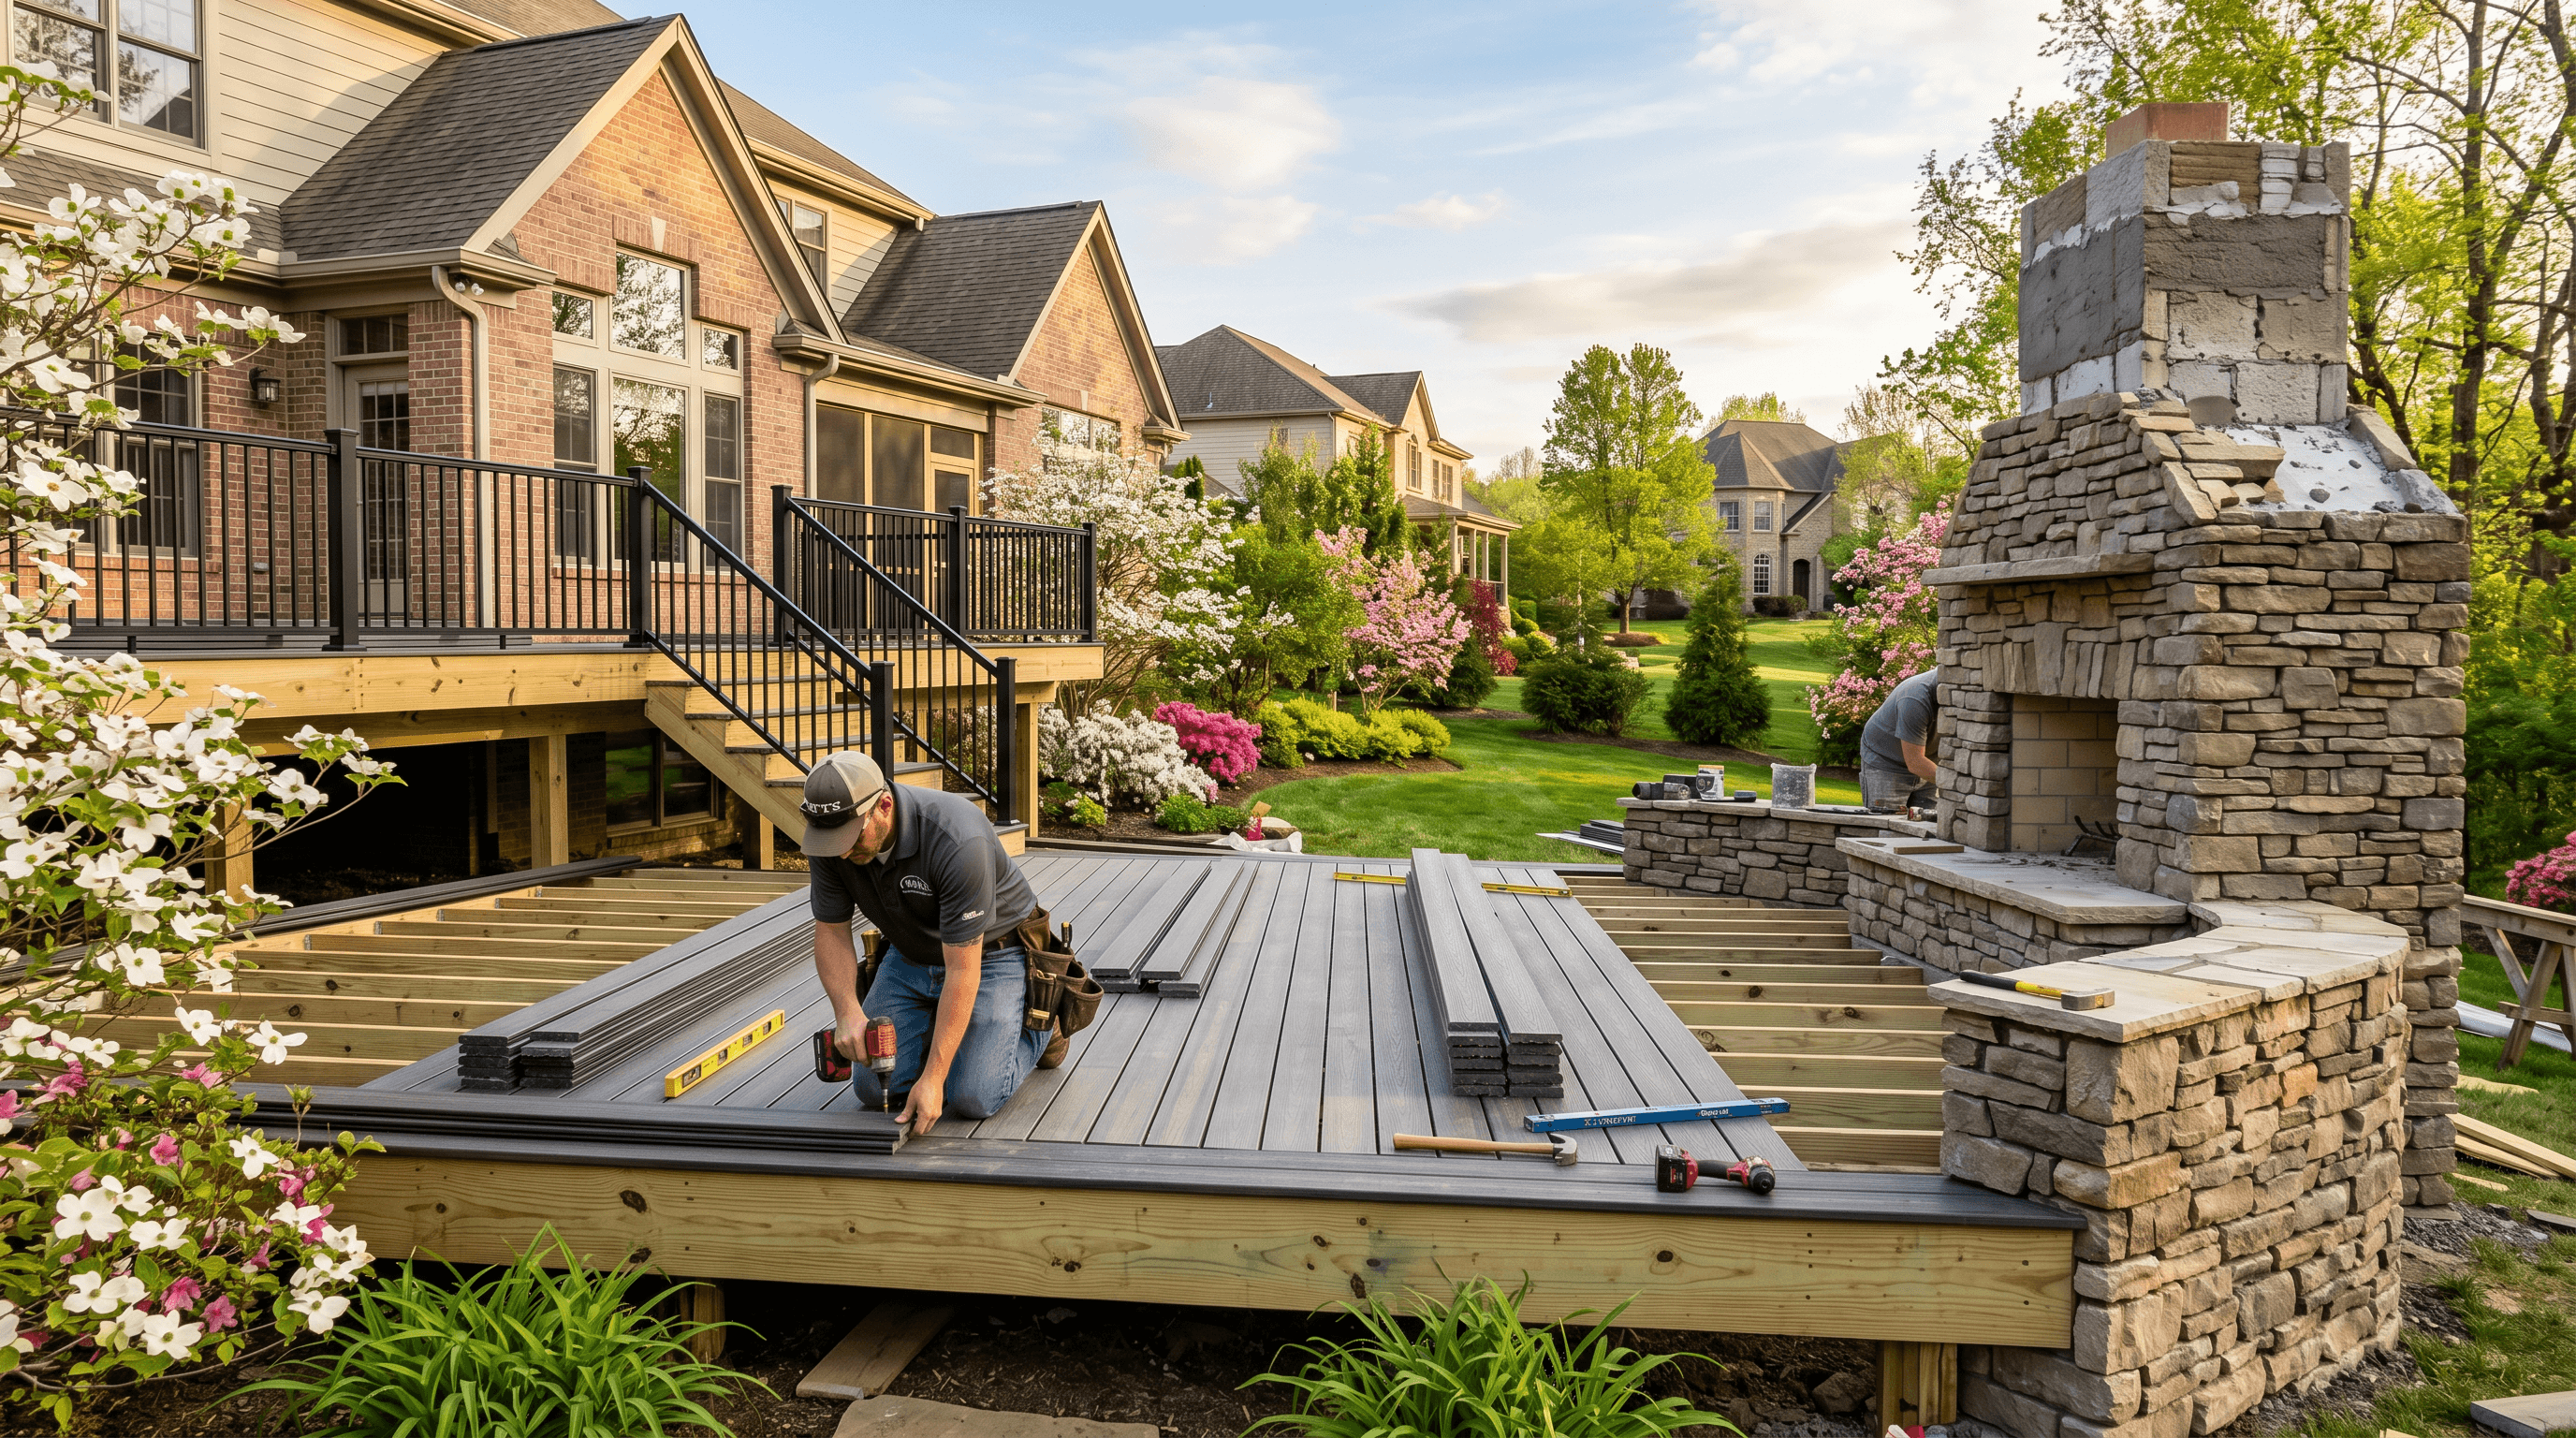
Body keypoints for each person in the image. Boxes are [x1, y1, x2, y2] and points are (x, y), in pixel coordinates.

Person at [801, 751, 1062, 1135]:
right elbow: (831, 931)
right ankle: (946, 1036)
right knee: (873, 1087)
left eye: (849, 838)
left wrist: (935, 1077)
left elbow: (962, 967)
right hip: (910, 953)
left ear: (884, 806)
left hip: (991, 956)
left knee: (972, 1096)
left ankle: (1043, 1025)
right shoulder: (832, 840)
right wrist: (847, 1012)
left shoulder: (956, 836)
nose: (841, 851)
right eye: (831, 840)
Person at [1859, 669, 1939, 814]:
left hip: (1931, 764)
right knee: (1886, 826)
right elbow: (1915, 762)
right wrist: (1957, 785)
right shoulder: (1915, 698)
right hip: (1886, 763)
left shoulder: (1965, 693)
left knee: (1928, 829)